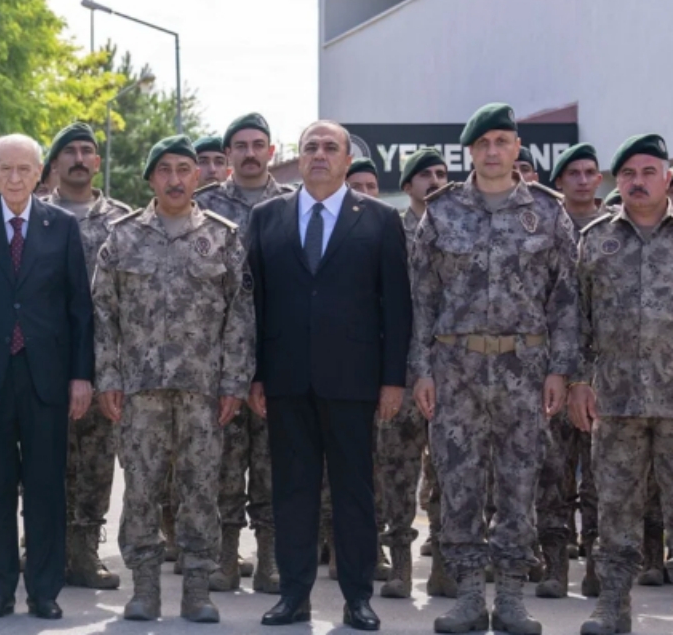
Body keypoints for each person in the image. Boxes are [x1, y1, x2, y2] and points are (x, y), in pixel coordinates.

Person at [412, 103, 579, 635]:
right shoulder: (439, 212)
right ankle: (465, 595)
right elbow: (421, 298)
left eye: (502, 141)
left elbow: (566, 301)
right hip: (455, 367)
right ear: (470, 151)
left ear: (516, 148)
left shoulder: (549, 213)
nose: (492, 151)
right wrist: (421, 369)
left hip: (524, 369)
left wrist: (561, 370)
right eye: (483, 143)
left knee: (520, 480)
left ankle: (509, 595)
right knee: (457, 480)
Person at [248, 120, 410, 631]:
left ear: (347, 161)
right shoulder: (266, 217)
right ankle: (293, 596)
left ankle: (358, 597)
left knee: (354, 492)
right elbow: (254, 303)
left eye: (330, 148)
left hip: (354, 379)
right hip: (286, 378)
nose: (319, 155)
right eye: (311, 147)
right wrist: (254, 375)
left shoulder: (382, 220)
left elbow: (397, 306)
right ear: (298, 158)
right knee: (291, 490)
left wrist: (392, 380)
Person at [93, 135, 252, 623]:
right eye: (165, 169)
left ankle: (198, 589)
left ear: (199, 175)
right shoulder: (122, 237)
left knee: (200, 487)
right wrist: (108, 377)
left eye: (185, 168)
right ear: (151, 179)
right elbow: (103, 314)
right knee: (141, 487)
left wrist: (234, 384)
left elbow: (240, 317)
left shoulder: (223, 237)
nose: (176, 178)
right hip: (140, 391)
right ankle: (144, 589)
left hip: (203, 391)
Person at [0, 133, 93, 620]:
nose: (14, 177)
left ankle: (44, 590)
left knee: (47, 485)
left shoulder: (62, 226)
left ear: (39, 173)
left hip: (46, 374)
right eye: (4, 168)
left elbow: (78, 310)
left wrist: (80, 377)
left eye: (23, 169)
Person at [570, 133, 673, 635]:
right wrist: (577, 382)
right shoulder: (596, 239)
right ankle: (613, 606)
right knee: (615, 509)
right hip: (617, 401)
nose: (637, 182)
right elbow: (577, 321)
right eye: (628, 174)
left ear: (668, 177)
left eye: (648, 171)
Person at [193, 111, 292, 595]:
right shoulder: (203, 205)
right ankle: (225, 559)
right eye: (241, 146)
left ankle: (270, 561)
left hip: (280, 354)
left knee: (274, 463)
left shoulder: (295, 205)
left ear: (271, 151)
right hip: (216, 359)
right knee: (224, 463)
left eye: (259, 145)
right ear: (227, 154)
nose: (250, 153)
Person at [41, 122, 131, 590]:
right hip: (42, 357)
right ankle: (43, 547)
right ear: (53, 164)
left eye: (87, 151)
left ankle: (83, 552)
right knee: (41, 456)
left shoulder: (123, 220)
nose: (79, 157)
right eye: (69, 151)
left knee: (97, 460)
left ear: (97, 162)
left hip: (104, 360)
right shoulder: (32, 215)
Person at [376, 147, 452, 600]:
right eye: (425, 175)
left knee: (449, 471)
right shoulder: (389, 234)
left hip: (451, 372)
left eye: (442, 173)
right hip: (400, 373)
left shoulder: (460, 228)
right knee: (397, 472)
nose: (436, 180)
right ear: (407, 187)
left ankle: (444, 563)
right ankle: (401, 567)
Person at [535, 143, 606, 600]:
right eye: (573, 173)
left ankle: (598, 563)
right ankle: (556, 567)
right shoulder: (544, 226)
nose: (582, 180)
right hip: (552, 370)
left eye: (589, 172)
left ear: (599, 179)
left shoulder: (614, 228)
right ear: (560, 181)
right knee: (553, 472)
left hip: (605, 374)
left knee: (602, 475)